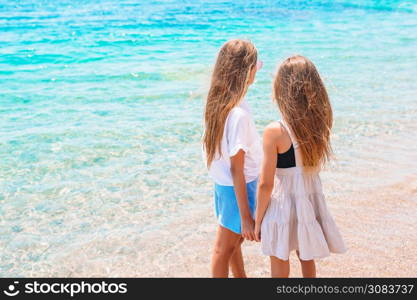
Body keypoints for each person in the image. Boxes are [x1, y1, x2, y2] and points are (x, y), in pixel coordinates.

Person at [255, 55, 346, 278]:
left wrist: (257, 221)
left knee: (279, 258)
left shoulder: (275, 131)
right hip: (307, 201)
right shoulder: (319, 124)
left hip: (282, 203)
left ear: (281, 89)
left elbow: (266, 184)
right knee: (306, 256)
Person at [203, 39, 263, 278]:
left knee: (233, 245)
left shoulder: (219, 104)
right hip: (239, 188)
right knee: (223, 249)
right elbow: (237, 168)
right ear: (246, 71)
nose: (258, 69)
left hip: (225, 187)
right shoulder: (237, 114)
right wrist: (247, 216)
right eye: (256, 65)